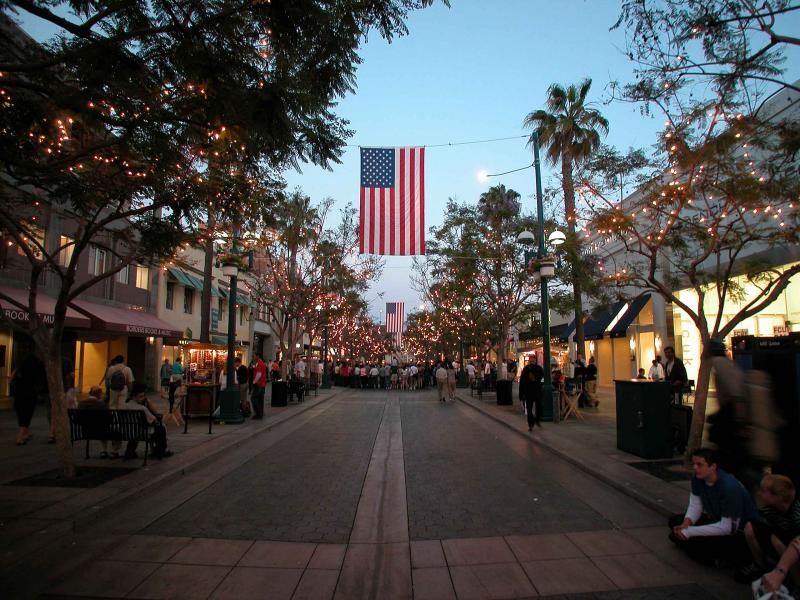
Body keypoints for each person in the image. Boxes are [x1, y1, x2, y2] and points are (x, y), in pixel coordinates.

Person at [668, 448, 758, 567]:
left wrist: (690, 532)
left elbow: (728, 528)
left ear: (713, 467)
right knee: (674, 521)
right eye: (694, 464)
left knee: (703, 544)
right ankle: (691, 543)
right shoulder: (697, 478)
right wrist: (687, 523)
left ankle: (718, 557)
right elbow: (696, 505)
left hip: (736, 531)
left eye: (699, 465)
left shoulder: (729, 488)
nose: (695, 468)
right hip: (716, 520)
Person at [738, 474, 800, 582]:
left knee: (777, 540)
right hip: (779, 547)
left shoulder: (796, 514)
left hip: (793, 551)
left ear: (776, 496)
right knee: (750, 527)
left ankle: (797, 581)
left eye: (763, 491)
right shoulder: (769, 509)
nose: (759, 493)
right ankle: (760, 566)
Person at [123, 383, 172, 459]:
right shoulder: (142, 409)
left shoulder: (124, 406)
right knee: (160, 428)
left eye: (143, 396)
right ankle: (161, 450)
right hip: (141, 432)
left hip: (127, 431)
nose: (143, 398)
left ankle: (130, 451)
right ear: (134, 397)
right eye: (141, 396)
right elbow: (153, 420)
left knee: (158, 428)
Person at [104, 355, 133, 458]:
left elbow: (107, 381)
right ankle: (118, 420)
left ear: (115, 361)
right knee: (121, 407)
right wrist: (129, 392)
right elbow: (130, 382)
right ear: (123, 360)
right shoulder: (127, 369)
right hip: (123, 389)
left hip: (113, 390)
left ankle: (113, 417)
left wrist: (108, 391)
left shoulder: (111, 368)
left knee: (112, 406)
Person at [11, 355, 44, 446]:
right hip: (30, 395)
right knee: (27, 414)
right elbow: (39, 382)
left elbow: (11, 379)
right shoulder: (35, 371)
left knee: (21, 414)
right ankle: (20, 436)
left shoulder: (19, 370)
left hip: (19, 395)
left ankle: (25, 433)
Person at [519, 355, 544, 431]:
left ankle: (532, 423)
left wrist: (521, 393)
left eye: (533, 360)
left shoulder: (526, 369)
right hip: (533, 392)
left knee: (532, 408)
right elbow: (542, 376)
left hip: (531, 392)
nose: (532, 361)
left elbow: (522, 382)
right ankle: (534, 422)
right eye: (532, 360)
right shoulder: (537, 368)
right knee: (534, 408)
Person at [251, 354, 267, 419]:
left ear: (257, 356)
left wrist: (254, 382)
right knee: (260, 399)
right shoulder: (261, 364)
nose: (253, 357)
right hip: (262, 384)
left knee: (254, 398)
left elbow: (259, 374)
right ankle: (260, 413)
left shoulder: (260, 364)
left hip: (259, 384)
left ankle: (258, 413)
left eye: (254, 356)